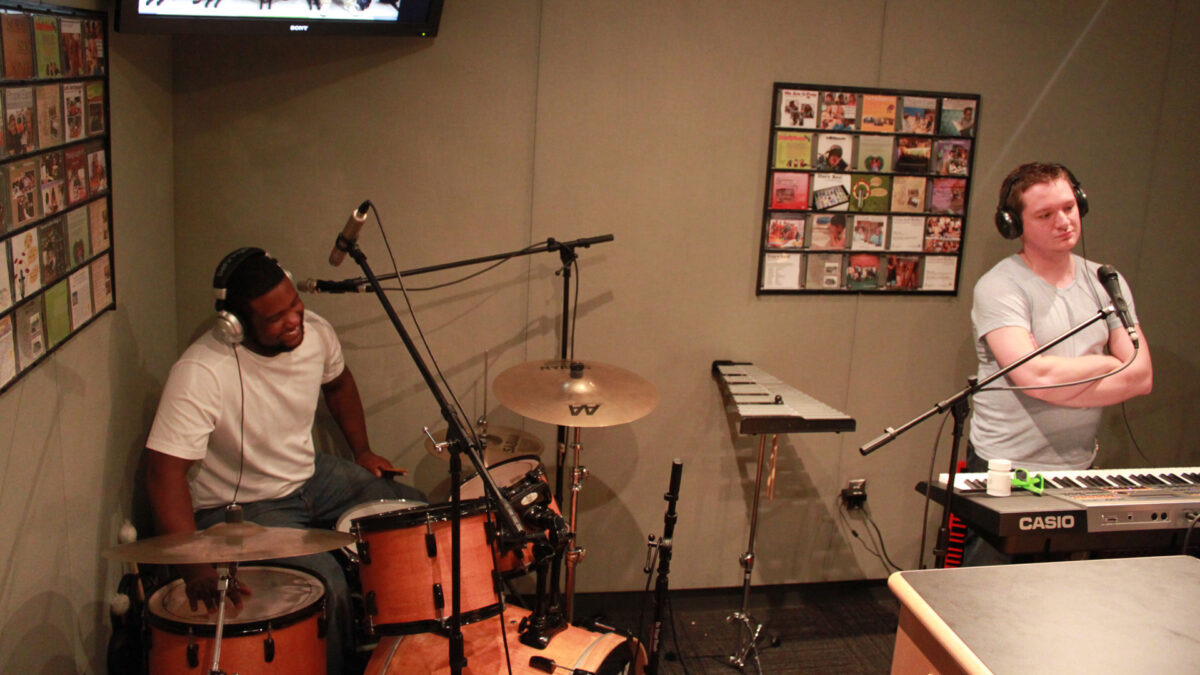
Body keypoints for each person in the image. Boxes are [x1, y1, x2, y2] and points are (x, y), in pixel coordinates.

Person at [144, 247, 424, 673]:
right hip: (240, 507)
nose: (294, 320)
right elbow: (163, 473)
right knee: (325, 583)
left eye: (295, 304)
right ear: (235, 324)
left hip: (312, 476)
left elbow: (339, 384)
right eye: (276, 317)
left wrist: (362, 451)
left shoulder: (315, 332)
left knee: (413, 512)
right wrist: (194, 565)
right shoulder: (201, 371)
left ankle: (409, 655)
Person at [963, 163, 1153, 563]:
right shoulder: (1001, 286)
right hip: (1007, 467)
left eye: (1069, 207)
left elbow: (1141, 376)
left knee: (1055, 591)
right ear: (1013, 224)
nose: (1064, 221)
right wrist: (1103, 363)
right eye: (1045, 214)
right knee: (987, 593)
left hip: (1076, 465)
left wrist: (1064, 381)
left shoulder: (1105, 280)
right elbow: (1034, 378)